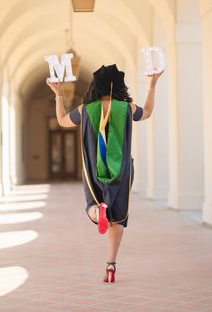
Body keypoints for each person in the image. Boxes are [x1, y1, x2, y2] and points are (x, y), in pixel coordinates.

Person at [46, 64, 164, 283]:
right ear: (119, 85)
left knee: (93, 204)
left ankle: (97, 211)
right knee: (117, 219)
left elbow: (62, 121)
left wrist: (58, 94)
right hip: (121, 172)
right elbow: (146, 113)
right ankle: (110, 265)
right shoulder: (127, 108)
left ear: (95, 86)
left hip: (93, 169)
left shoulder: (85, 110)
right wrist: (152, 85)